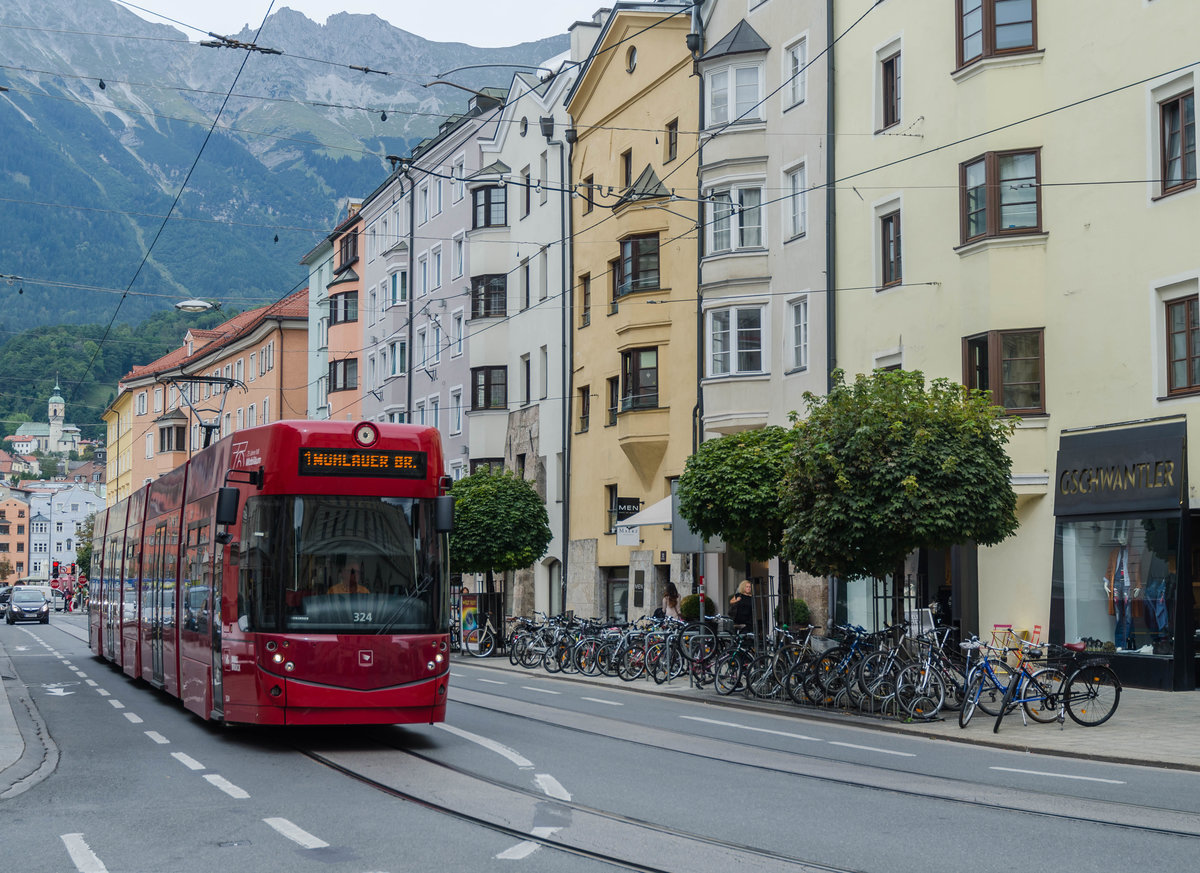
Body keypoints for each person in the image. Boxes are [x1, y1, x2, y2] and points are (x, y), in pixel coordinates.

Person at [1103, 533, 1140, 650]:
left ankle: (1127, 643)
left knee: (1128, 615)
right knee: (1119, 615)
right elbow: (1110, 568)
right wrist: (1106, 582)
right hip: (1116, 583)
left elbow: (1136, 569)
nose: (1121, 538)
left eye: (1124, 535)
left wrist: (1138, 585)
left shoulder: (1133, 551)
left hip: (1128, 584)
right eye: (1119, 536)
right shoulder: (1114, 552)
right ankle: (1119, 644)